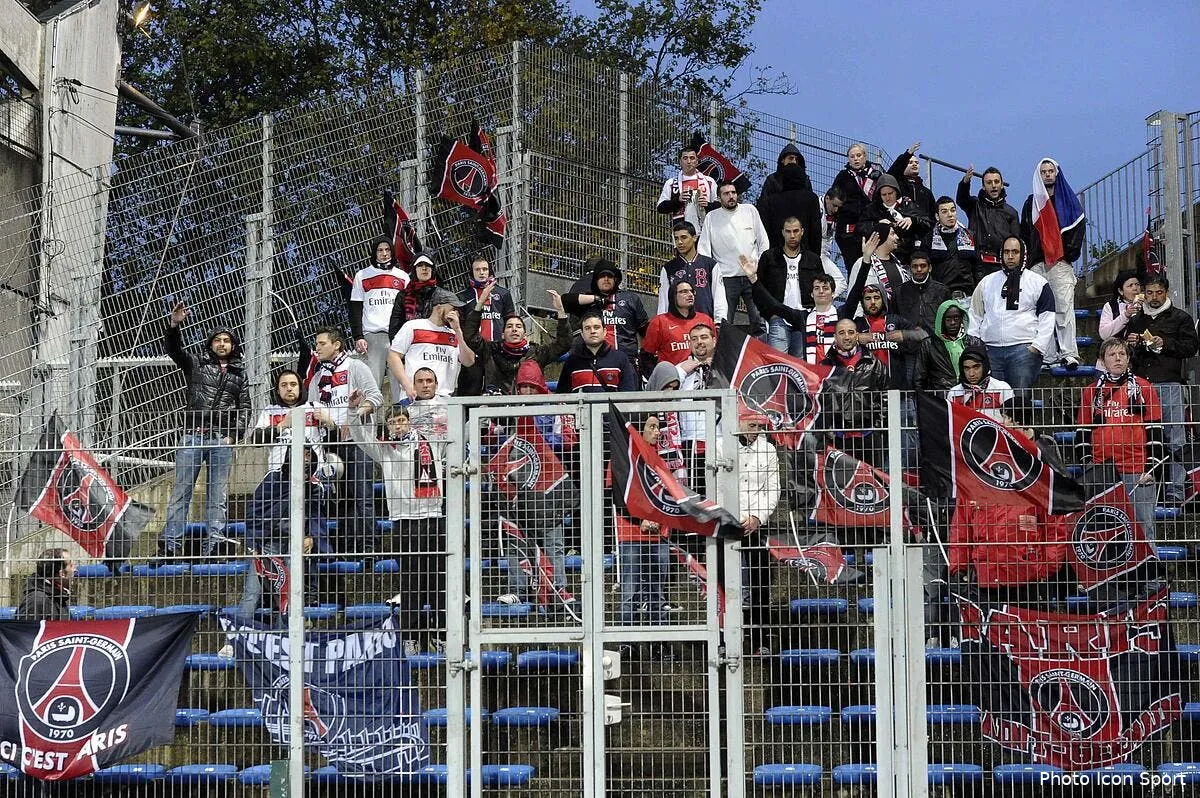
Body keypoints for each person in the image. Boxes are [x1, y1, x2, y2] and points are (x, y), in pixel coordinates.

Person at [349, 387, 447, 655]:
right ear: (388, 426)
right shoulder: (384, 450)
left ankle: (441, 632)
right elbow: (359, 437)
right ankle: (412, 636)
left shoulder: (431, 441)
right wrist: (353, 412)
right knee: (411, 583)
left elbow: (453, 424)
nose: (397, 426)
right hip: (403, 522)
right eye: (392, 422)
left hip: (432, 517)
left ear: (409, 421)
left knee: (439, 581)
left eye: (401, 420)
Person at [237, 369, 332, 619]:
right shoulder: (269, 412)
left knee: (307, 538)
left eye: (293, 384)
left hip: (312, 479)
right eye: (284, 385)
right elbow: (257, 439)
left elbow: (337, 435)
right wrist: (281, 426)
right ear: (277, 389)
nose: (289, 389)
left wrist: (330, 422)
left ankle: (308, 596)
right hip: (278, 481)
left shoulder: (315, 407)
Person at [159, 301, 251, 559]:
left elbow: (245, 407)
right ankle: (170, 545)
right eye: (218, 340)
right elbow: (174, 351)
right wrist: (175, 325)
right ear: (210, 343)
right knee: (181, 492)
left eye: (227, 340)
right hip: (193, 435)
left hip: (220, 439)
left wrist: (234, 435)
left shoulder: (239, 374)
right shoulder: (196, 364)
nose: (222, 344)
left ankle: (215, 545)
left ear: (233, 345)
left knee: (217, 495)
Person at [1076, 338, 1163, 542]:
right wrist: (1089, 466)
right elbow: (1082, 432)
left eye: (1122, 354)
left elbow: (1155, 429)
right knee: (1106, 530)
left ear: (1128, 358)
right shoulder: (1091, 391)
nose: (1118, 358)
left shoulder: (1143, 387)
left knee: (1143, 528)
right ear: (1102, 361)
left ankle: (1149, 575)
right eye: (1112, 355)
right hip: (1103, 472)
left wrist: (1152, 467)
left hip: (1137, 470)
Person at [307, 326, 382, 555]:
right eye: (316, 344)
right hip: (331, 444)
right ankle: (349, 549)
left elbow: (375, 397)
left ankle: (369, 550)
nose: (317, 348)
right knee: (342, 501)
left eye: (321, 343)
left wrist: (355, 415)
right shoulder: (318, 378)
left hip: (357, 441)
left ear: (336, 344)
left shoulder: (356, 367)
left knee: (363, 498)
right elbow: (312, 408)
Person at [1125, 275, 1199, 506]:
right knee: (1141, 439)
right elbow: (1129, 354)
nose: (1154, 297)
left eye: (1158, 292)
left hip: (1169, 383)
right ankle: (1144, 490)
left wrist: (1164, 344)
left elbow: (1191, 347)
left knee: (1175, 438)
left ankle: (1175, 491)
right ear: (1144, 293)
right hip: (1140, 384)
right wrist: (1132, 344)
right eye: (1150, 292)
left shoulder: (1181, 318)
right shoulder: (1136, 319)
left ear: (1166, 291)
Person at [968, 236, 1055, 394]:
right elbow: (975, 314)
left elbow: (1047, 317)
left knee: (1019, 401)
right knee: (992, 401)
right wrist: (976, 346)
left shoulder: (1038, 282)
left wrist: (1037, 347)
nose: (1010, 256)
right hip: (990, 351)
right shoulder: (986, 282)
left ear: (1023, 254)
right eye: (1006, 252)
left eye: (1015, 252)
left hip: (1023, 350)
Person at [1020, 157, 1086, 367]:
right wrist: (1030, 261)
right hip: (1037, 265)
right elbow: (1024, 232)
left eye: (1051, 171)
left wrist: (1067, 254)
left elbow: (1077, 228)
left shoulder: (1068, 200)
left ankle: (1069, 353)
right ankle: (1046, 356)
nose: (1047, 174)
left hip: (1060, 263)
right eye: (1043, 171)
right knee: (1042, 310)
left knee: (1064, 309)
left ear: (1057, 173)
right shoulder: (1031, 202)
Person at [755, 216, 846, 357]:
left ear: (802, 232)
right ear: (783, 232)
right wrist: (769, 314)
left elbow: (821, 284)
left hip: (804, 317)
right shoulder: (770, 257)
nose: (792, 235)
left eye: (796, 231)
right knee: (777, 364)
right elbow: (759, 289)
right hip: (778, 317)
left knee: (800, 366)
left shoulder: (813, 259)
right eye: (788, 231)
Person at [613, 413, 672, 630]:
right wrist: (641, 522)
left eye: (658, 427)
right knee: (630, 592)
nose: (657, 432)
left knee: (657, 593)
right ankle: (628, 641)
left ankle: (658, 641)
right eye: (652, 427)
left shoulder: (660, 461)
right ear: (639, 430)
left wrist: (658, 520)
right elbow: (618, 498)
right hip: (631, 535)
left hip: (659, 536)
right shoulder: (622, 459)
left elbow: (668, 497)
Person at [464, 283, 571, 395]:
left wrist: (561, 311)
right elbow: (470, 336)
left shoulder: (536, 353)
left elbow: (564, 343)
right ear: (502, 335)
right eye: (509, 326)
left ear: (525, 335)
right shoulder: (491, 350)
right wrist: (480, 304)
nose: (514, 329)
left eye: (518, 326)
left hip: (529, 406)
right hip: (496, 405)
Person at [698, 181, 770, 335]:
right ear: (719, 198)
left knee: (760, 321)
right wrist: (712, 276)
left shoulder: (750, 210)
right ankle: (723, 358)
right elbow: (703, 249)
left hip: (752, 276)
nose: (731, 196)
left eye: (733, 192)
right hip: (726, 278)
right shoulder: (711, 217)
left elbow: (763, 241)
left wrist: (761, 268)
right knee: (724, 322)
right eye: (726, 193)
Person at [736, 410, 781, 655]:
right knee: (727, 583)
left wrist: (756, 517)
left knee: (759, 583)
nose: (754, 430)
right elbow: (719, 486)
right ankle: (727, 640)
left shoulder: (769, 451)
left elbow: (773, 490)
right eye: (750, 424)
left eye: (757, 425)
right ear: (738, 422)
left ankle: (759, 638)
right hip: (730, 523)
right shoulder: (722, 446)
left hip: (757, 524)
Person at [821, 318, 889, 466]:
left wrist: (877, 428)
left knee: (873, 485)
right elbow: (819, 402)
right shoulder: (824, 367)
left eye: (851, 332)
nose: (847, 337)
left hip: (869, 438)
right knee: (841, 485)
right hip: (837, 439)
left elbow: (885, 397)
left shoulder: (874, 363)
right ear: (835, 337)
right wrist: (828, 431)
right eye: (842, 333)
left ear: (857, 335)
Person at [349, 237, 410, 402]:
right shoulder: (362, 275)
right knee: (370, 387)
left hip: (397, 337)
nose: (384, 254)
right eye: (380, 250)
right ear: (374, 252)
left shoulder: (403, 277)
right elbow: (355, 308)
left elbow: (409, 310)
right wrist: (358, 336)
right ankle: (368, 428)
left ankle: (403, 425)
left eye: (387, 250)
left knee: (401, 385)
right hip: (372, 337)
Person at [389, 287, 476, 399]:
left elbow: (469, 361)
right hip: (415, 396)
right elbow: (393, 356)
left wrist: (458, 331)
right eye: (452, 308)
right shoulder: (413, 326)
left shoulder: (454, 333)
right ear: (439, 308)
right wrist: (406, 385)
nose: (455, 313)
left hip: (444, 398)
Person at [563, 256, 650, 363]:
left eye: (610, 276)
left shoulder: (631, 299)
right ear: (595, 279)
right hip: (595, 363)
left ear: (616, 279)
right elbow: (564, 301)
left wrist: (644, 356)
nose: (606, 279)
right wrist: (595, 298)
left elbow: (644, 330)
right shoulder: (588, 301)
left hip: (627, 362)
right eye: (602, 276)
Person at [854, 285, 926, 390]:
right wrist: (856, 338)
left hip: (896, 387)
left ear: (883, 300)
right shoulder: (857, 324)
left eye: (877, 298)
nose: (873, 302)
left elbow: (923, 335)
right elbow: (838, 341)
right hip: (866, 387)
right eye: (868, 298)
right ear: (862, 302)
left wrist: (904, 334)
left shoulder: (895, 320)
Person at [640, 278, 715, 376]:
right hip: (673, 380)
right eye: (683, 292)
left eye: (691, 291)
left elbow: (716, 351)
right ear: (673, 296)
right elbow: (646, 356)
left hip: (703, 378)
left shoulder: (706, 320)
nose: (690, 294)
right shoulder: (659, 322)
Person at [957, 164, 1020, 274]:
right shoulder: (974, 206)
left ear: (1002, 185)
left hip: (1002, 267)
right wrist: (965, 182)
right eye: (989, 183)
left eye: (997, 182)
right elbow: (961, 199)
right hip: (978, 267)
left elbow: (1016, 242)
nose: (994, 185)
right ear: (983, 186)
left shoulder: (1011, 213)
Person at [831, 143, 885, 269]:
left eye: (858, 155)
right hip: (848, 232)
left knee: (872, 266)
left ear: (865, 157)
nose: (855, 159)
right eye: (852, 156)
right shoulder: (843, 176)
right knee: (853, 267)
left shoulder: (876, 175)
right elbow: (835, 198)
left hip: (870, 229)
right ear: (848, 159)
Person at [556, 311, 639, 392]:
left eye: (596, 327)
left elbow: (628, 394)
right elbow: (561, 396)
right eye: (587, 328)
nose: (592, 331)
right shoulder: (572, 361)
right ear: (582, 334)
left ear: (605, 332)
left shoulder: (620, 359)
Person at [857, 173, 930, 264]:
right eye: (884, 194)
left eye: (890, 193)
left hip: (908, 255)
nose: (888, 197)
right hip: (881, 256)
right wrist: (877, 225)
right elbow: (860, 228)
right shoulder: (872, 209)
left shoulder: (908, 205)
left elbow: (928, 223)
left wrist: (913, 221)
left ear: (896, 191)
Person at [912, 300, 983, 392]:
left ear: (962, 319)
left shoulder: (975, 343)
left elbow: (984, 374)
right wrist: (923, 401)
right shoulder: (928, 344)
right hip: (940, 398)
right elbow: (919, 378)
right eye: (948, 319)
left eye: (956, 318)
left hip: (970, 396)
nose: (952, 322)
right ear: (940, 321)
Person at [756, 158, 821, 255]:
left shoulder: (772, 201)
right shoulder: (811, 199)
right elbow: (816, 230)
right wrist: (815, 257)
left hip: (777, 256)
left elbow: (765, 229)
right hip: (805, 255)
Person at [843, 221, 908, 314]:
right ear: (881, 237)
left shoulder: (899, 264)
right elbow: (854, 295)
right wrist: (859, 322)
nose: (897, 237)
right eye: (892, 234)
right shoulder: (862, 263)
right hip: (871, 323)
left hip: (897, 321)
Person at [657, 221, 717, 318]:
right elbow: (663, 299)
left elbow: (718, 294)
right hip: (676, 323)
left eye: (684, 237)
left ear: (694, 238)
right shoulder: (668, 268)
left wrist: (719, 320)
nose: (679, 242)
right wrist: (661, 321)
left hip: (705, 321)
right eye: (676, 239)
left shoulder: (710, 264)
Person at [926, 197, 981, 297]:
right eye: (944, 212)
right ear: (937, 216)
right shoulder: (929, 239)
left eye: (953, 210)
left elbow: (978, 267)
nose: (950, 214)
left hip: (968, 294)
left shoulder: (970, 236)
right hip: (940, 296)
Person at [656, 144, 719, 232]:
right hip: (681, 230)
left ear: (697, 161)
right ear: (680, 162)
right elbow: (661, 208)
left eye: (692, 158)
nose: (689, 161)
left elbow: (719, 207)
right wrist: (678, 200)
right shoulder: (671, 183)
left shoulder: (709, 181)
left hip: (706, 227)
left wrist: (707, 205)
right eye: (685, 158)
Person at [457, 256, 516, 344]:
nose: (481, 273)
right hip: (473, 347)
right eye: (477, 270)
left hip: (499, 347)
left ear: (489, 271)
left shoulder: (504, 293)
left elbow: (510, 321)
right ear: (472, 272)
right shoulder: (463, 297)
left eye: (485, 269)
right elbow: (461, 324)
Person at [946, 347, 1014, 421]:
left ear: (985, 366)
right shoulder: (954, 393)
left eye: (976, 367)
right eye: (966, 368)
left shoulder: (1002, 388)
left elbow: (1011, 422)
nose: (971, 374)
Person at [895, 251, 950, 334]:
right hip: (908, 342)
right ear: (910, 268)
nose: (919, 269)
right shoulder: (899, 292)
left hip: (935, 341)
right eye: (915, 266)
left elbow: (948, 318)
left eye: (923, 266)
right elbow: (894, 319)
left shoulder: (942, 291)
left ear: (930, 268)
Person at [1096, 270, 1143, 368]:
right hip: (1111, 361)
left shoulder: (1147, 306)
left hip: (1137, 361)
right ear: (1120, 291)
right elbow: (1104, 334)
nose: (1135, 288)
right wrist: (1126, 315)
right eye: (1130, 286)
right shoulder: (1110, 306)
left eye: (1137, 284)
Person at [17, 548, 75, 620]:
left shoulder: (56, 594)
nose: (75, 570)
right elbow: (25, 630)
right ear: (62, 573)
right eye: (71, 565)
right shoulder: (37, 601)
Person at [887, 141, 936, 222]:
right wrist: (908, 154)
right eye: (910, 162)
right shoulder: (897, 185)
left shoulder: (926, 192)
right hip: (902, 227)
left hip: (922, 230)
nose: (914, 164)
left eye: (917, 162)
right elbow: (891, 174)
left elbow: (933, 216)